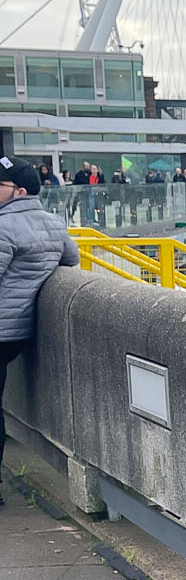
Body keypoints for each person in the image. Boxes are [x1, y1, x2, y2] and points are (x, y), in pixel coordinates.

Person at [0, 160, 80, 498]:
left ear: (18, 191)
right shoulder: (53, 224)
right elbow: (71, 260)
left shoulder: (4, 227)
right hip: (17, 333)